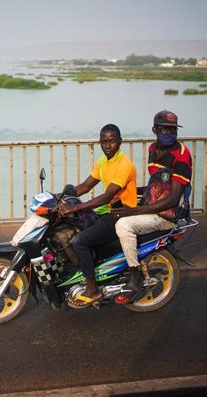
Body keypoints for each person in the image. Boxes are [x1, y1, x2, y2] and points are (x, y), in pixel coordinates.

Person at [112, 110, 192, 303]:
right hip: (152, 207)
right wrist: (123, 190)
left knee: (124, 225)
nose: (168, 133)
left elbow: (173, 198)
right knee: (108, 215)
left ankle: (134, 275)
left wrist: (135, 210)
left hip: (166, 215)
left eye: (172, 129)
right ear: (155, 129)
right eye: (163, 129)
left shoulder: (182, 155)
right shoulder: (152, 150)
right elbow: (156, 184)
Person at [59, 124, 137, 309]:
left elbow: (107, 196)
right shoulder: (103, 161)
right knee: (72, 228)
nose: (107, 145)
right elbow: (85, 186)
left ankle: (92, 289)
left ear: (119, 141)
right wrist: (60, 197)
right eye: (104, 141)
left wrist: (75, 207)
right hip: (104, 212)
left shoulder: (124, 164)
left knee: (79, 241)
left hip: (119, 215)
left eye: (111, 141)